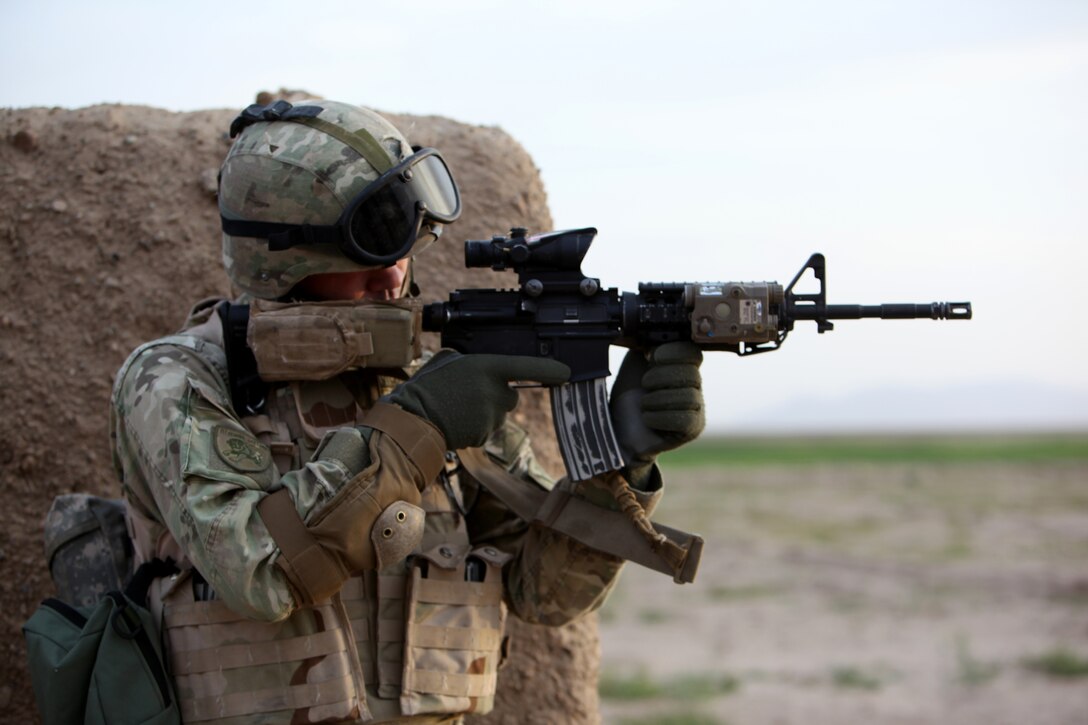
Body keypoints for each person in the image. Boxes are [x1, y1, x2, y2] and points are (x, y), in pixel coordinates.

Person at [110, 99, 705, 724]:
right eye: (368, 248)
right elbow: (260, 572)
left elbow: (542, 594)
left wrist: (626, 461)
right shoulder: (176, 379)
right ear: (284, 260)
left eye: (404, 240)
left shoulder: (424, 382)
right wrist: (414, 429)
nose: (394, 272)